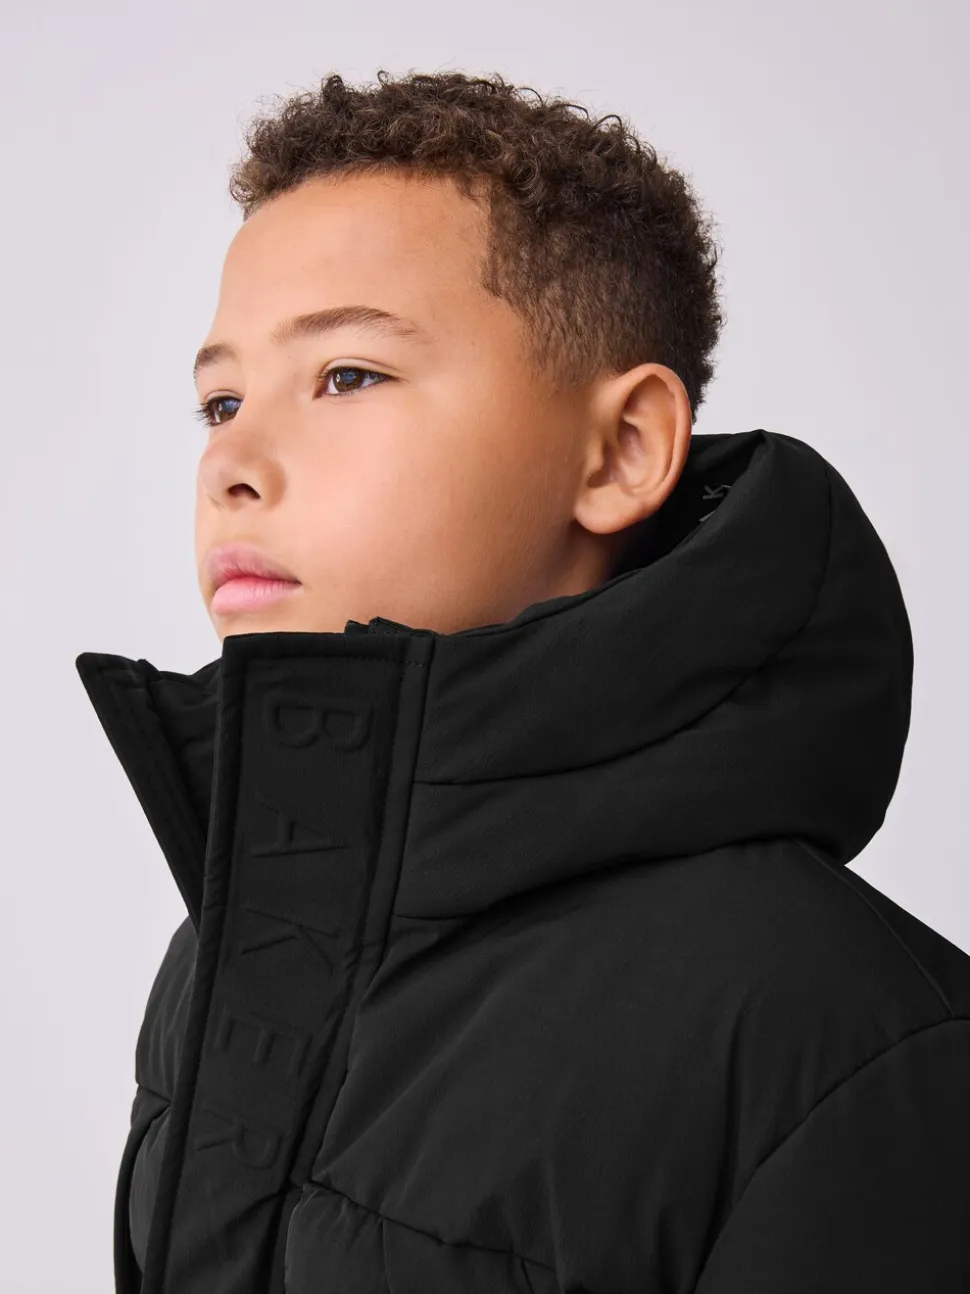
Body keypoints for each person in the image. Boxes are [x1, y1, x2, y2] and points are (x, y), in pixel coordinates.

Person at [76, 68, 970, 1294]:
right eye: (219, 400)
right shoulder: (234, 949)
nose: (233, 460)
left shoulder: (845, 1041)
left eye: (345, 375)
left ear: (621, 451)